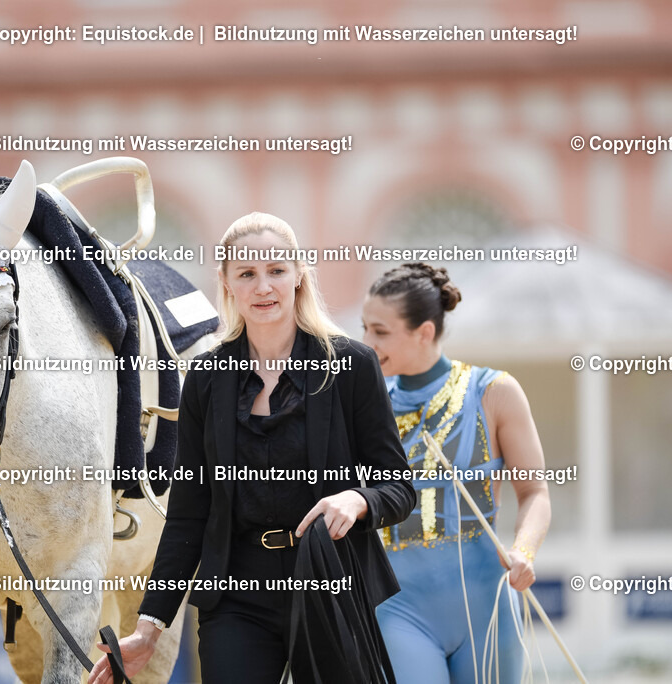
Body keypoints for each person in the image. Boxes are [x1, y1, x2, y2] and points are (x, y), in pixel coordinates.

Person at [89, 212, 416, 684]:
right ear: (226, 282)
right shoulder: (204, 380)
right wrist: (149, 628)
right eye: (247, 274)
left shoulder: (352, 365)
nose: (263, 287)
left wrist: (358, 498)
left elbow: (398, 485)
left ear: (299, 275)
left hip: (330, 583)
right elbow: (188, 514)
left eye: (276, 271)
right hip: (236, 593)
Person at [361, 262, 552, 683]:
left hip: (485, 604)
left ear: (424, 331)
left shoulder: (494, 392)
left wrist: (524, 551)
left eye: (380, 331)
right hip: (398, 608)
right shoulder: (366, 404)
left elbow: (535, 493)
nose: (366, 342)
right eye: (365, 328)